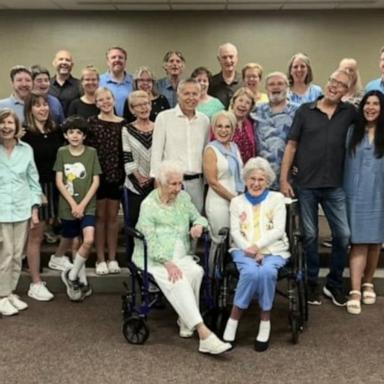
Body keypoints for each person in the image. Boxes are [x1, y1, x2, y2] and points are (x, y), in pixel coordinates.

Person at [132, 161, 232, 355]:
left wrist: (198, 226)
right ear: (161, 184)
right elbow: (149, 241)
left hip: (181, 254)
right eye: (173, 184)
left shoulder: (184, 198)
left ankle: (185, 320)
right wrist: (167, 263)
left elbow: (200, 218)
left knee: (196, 271)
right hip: (154, 258)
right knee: (177, 279)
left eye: (180, 183)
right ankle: (204, 335)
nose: (178, 189)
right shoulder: (149, 206)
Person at [280, 69, 356, 307]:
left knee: (343, 235)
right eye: (333, 80)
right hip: (306, 185)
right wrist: (284, 179)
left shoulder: (350, 113)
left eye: (342, 85)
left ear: (347, 91)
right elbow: (291, 146)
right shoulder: (305, 111)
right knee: (310, 236)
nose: (335, 86)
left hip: (335, 186)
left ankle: (334, 284)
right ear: (327, 82)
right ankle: (311, 281)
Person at [223, 157, 290, 352]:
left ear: (267, 181)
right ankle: (234, 319)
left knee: (268, 272)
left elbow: (278, 229)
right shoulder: (237, 202)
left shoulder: (277, 199)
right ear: (245, 180)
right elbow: (235, 231)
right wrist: (250, 250)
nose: (256, 183)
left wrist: (258, 247)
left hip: (273, 250)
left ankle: (265, 321)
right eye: (252, 179)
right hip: (243, 250)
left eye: (261, 180)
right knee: (251, 272)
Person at [52, 116, 101, 302]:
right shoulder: (62, 152)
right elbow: (59, 181)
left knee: (88, 240)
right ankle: (80, 282)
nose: (74, 136)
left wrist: (82, 205)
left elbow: (96, 181)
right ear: (65, 135)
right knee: (75, 242)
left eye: (78, 132)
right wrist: (73, 205)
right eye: (71, 132)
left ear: (84, 136)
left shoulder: (91, 153)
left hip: (87, 206)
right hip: (68, 207)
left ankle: (70, 276)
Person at [344, 91, 384, 315]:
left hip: (380, 193)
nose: (370, 108)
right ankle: (356, 290)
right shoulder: (352, 132)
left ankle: (368, 281)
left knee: (375, 240)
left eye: (376, 104)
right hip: (355, 193)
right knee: (359, 240)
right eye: (367, 104)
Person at [0, 109, 42, 316]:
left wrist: (34, 210)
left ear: (17, 128)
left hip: (22, 209)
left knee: (17, 255)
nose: (6, 127)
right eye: (2, 123)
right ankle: (1, 296)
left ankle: (9, 292)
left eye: (10, 123)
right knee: (5, 255)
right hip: (1, 211)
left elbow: (34, 182)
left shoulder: (26, 150)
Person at [23, 92, 63, 301]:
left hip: (56, 186)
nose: (43, 109)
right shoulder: (25, 134)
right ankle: (35, 282)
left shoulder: (55, 131)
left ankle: (58, 259)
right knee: (36, 236)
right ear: (30, 109)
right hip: (35, 189)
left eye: (45, 104)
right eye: (37, 106)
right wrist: (36, 194)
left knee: (64, 227)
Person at [151, 78, 209, 213]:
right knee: (171, 223)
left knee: (194, 224)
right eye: (186, 93)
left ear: (200, 96)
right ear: (178, 95)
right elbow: (156, 152)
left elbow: (205, 152)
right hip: (170, 183)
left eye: (195, 94)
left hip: (196, 183)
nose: (191, 97)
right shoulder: (164, 118)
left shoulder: (204, 120)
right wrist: (156, 179)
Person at [87, 87, 125, 275]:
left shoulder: (123, 124)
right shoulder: (92, 123)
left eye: (108, 98)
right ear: (96, 103)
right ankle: (100, 259)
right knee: (100, 218)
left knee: (113, 219)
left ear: (114, 99)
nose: (105, 102)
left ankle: (112, 258)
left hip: (116, 176)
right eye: (100, 100)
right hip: (98, 177)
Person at [251, 72, 299, 190]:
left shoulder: (299, 111)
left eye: (280, 84)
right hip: (261, 180)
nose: (276, 87)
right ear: (266, 89)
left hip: (291, 179)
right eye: (271, 84)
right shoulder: (256, 110)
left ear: (287, 87)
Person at [122, 90, 155, 257]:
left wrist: (153, 177)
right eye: (139, 105)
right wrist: (138, 177)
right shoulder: (126, 130)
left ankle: (153, 260)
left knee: (154, 225)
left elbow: (162, 155)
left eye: (146, 103)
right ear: (132, 109)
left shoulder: (159, 127)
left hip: (156, 185)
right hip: (134, 186)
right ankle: (134, 262)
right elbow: (127, 156)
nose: (144, 108)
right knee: (135, 224)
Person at [203, 111, 243, 244]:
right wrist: (233, 199)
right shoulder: (210, 150)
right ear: (214, 128)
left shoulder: (234, 147)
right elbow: (212, 182)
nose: (223, 130)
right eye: (219, 126)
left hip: (237, 199)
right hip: (219, 202)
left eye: (227, 126)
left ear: (233, 129)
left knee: (237, 240)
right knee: (220, 242)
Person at [99, 46, 133, 117]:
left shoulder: (134, 81)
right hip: (105, 123)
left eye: (120, 57)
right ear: (108, 62)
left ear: (125, 61)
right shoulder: (98, 81)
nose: (117, 60)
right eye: (113, 57)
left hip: (129, 123)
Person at [49, 50, 81, 116]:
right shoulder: (47, 85)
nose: (64, 62)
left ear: (72, 65)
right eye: (61, 59)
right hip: (50, 125)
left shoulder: (80, 85)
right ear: (54, 63)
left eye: (67, 60)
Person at [209, 42, 241, 109]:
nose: (228, 60)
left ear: (237, 58)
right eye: (224, 57)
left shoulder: (244, 81)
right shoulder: (210, 82)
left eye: (231, 57)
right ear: (219, 59)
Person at [229, 87, 256, 164]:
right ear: (233, 102)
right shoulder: (224, 121)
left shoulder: (250, 124)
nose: (243, 105)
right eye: (240, 100)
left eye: (247, 103)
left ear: (250, 108)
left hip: (247, 170)